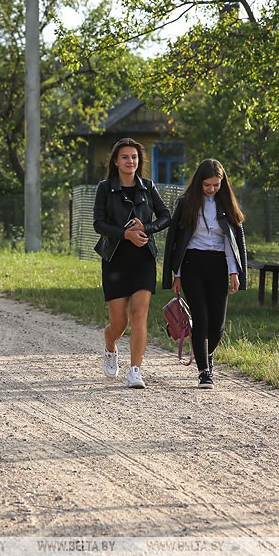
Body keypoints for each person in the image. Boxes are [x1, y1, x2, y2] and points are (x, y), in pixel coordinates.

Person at [162, 158, 247, 389]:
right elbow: (178, 242)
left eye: (216, 185)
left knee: (217, 324)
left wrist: (234, 272)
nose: (211, 189)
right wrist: (176, 275)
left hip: (219, 264)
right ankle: (204, 372)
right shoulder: (186, 203)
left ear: (222, 183)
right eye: (207, 185)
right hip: (192, 265)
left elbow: (231, 243)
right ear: (199, 182)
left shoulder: (227, 205)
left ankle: (207, 354)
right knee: (201, 318)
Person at [93, 138, 171, 389]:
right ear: (116, 161)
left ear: (140, 161)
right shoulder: (105, 188)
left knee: (139, 315)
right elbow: (98, 224)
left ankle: (135, 370)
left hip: (143, 260)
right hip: (115, 260)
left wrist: (145, 228)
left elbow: (166, 217)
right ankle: (110, 345)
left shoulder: (148, 187)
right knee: (119, 323)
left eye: (134, 157)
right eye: (125, 157)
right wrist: (124, 233)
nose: (130, 161)